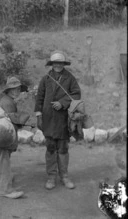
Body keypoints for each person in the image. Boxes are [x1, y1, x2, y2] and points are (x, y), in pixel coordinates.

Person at [34, 50, 81, 190]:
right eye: (55, 63)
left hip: (63, 119)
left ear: (63, 64)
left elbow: (76, 94)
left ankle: (64, 176)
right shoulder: (45, 79)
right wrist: (38, 116)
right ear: (52, 64)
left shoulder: (70, 78)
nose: (58, 65)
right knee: (50, 148)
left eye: (60, 63)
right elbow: (39, 98)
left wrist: (62, 102)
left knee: (63, 148)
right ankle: (51, 177)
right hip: (48, 118)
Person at [0, 76, 28, 199]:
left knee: (2, 161)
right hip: (3, 136)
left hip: (0, 135)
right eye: (13, 89)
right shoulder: (7, 102)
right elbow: (11, 121)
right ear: (8, 90)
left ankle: (1, 183)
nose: (16, 92)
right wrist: (23, 118)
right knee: (3, 162)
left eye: (18, 89)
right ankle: (5, 190)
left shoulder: (5, 99)